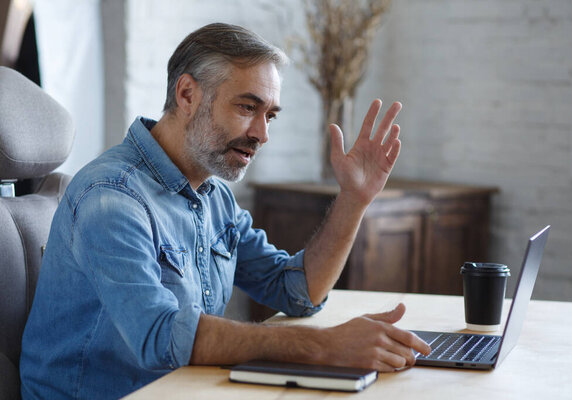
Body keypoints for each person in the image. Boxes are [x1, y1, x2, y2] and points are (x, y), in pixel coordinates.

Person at [19, 23, 431, 399]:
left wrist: (353, 199)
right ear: (186, 95)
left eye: (269, 115)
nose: (262, 134)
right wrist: (325, 346)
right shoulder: (111, 198)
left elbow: (297, 291)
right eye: (247, 108)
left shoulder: (214, 197)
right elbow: (158, 336)